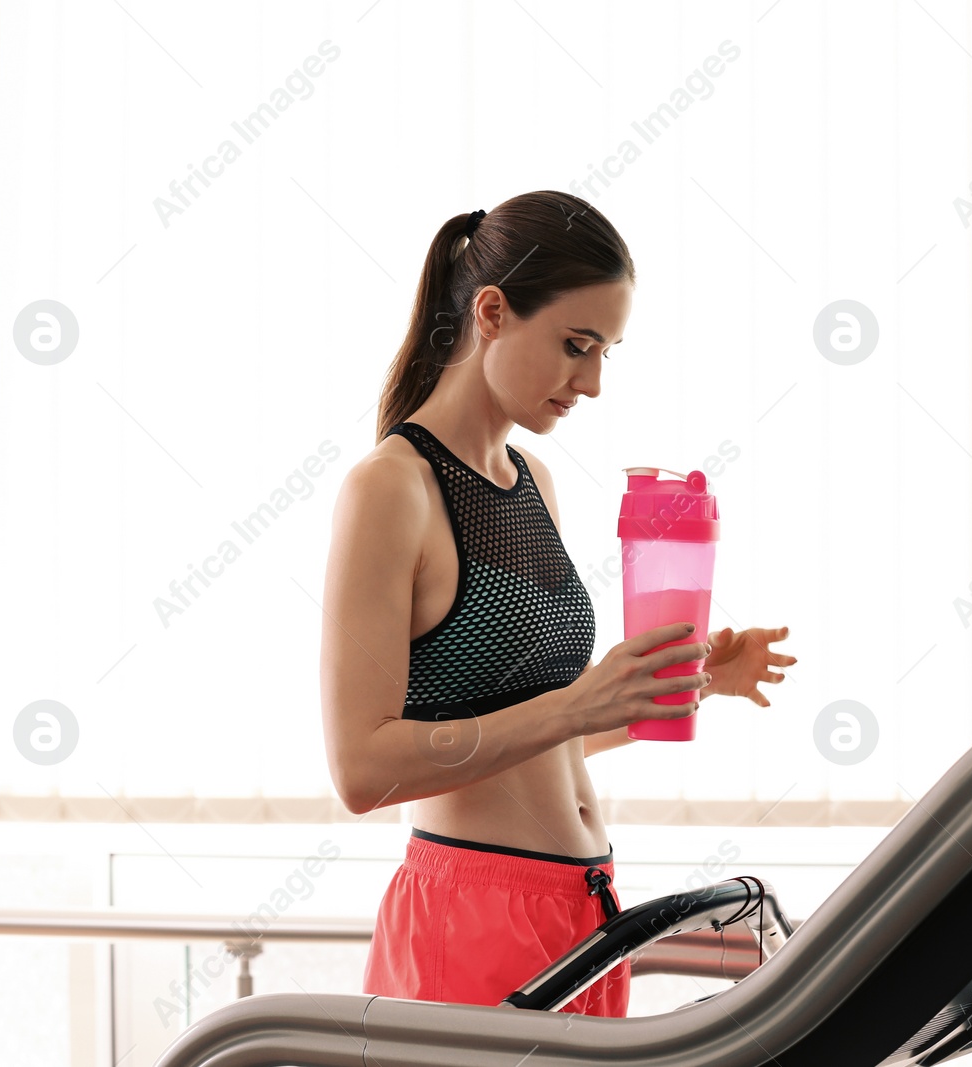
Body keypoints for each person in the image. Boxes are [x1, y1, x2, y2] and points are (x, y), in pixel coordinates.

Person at [319, 190, 797, 1018]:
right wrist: (577, 703)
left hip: (581, 913)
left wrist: (674, 687)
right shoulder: (390, 488)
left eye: (608, 350)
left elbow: (538, 738)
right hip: (468, 914)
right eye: (577, 346)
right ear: (493, 313)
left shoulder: (533, 481)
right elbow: (361, 770)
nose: (595, 382)